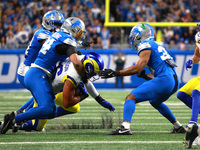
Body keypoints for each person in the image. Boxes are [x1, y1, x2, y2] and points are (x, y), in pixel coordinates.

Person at [0, 17, 89, 134]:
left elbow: (64, 49)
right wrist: (84, 76)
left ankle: (18, 117)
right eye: (80, 31)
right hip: (37, 73)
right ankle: (14, 119)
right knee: (46, 107)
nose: (81, 34)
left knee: (50, 111)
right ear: (73, 31)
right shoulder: (63, 40)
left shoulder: (59, 36)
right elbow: (76, 61)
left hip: (38, 73)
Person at [99, 23, 185, 135]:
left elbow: (138, 67)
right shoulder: (156, 45)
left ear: (141, 35)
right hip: (173, 80)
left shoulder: (145, 43)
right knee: (155, 102)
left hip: (165, 79)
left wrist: (115, 73)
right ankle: (178, 127)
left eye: (135, 35)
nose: (133, 39)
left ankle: (125, 127)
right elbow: (157, 77)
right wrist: (145, 76)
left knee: (130, 97)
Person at [0, 52, 115, 132]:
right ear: (87, 68)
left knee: (75, 108)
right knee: (38, 124)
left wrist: (100, 100)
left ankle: (21, 113)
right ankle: (14, 121)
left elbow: (85, 81)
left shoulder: (80, 59)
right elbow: (66, 103)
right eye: (93, 73)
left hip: (50, 85)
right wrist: (82, 97)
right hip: (47, 90)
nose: (93, 76)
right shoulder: (72, 77)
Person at [177, 21, 200, 149]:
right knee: (182, 94)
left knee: (197, 92)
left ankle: (193, 124)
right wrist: (192, 60)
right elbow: (197, 55)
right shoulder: (198, 37)